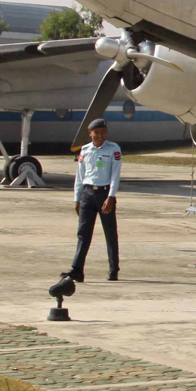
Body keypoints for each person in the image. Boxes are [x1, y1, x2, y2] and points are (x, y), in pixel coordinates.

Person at [70, 117, 121, 281]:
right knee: (83, 234)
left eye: (103, 132)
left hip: (104, 193)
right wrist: (77, 198)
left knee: (110, 233)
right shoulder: (85, 150)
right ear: (90, 133)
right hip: (87, 194)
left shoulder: (113, 149)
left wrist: (111, 196)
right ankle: (77, 269)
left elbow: (115, 174)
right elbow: (80, 176)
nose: (100, 136)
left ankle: (113, 270)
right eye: (97, 133)